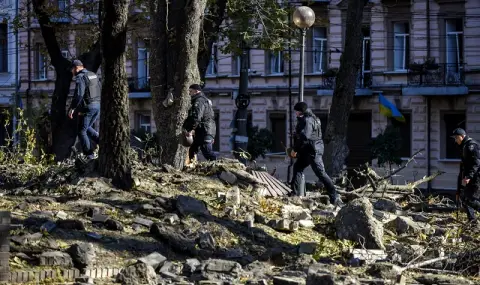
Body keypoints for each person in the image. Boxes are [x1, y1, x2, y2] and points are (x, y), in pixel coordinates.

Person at [290, 102, 342, 206]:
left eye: (296, 111)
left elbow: (305, 136)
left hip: (313, 152)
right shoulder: (310, 118)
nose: (295, 113)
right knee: (298, 167)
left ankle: (335, 197)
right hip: (308, 150)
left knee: (321, 173)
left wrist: (295, 149)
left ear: (300, 111)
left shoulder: (308, 120)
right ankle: (294, 195)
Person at [68, 59, 101, 159]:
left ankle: (89, 155)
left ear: (76, 68)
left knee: (81, 131)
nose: (72, 72)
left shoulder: (81, 77)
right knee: (87, 128)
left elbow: (79, 94)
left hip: (87, 107)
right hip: (97, 106)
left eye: (72, 70)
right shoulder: (93, 75)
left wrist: (72, 108)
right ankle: (102, 142)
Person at [183, 84, 217, 161]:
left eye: (190, 91)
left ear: (196, 91)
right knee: (192, 150)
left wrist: (189, 129)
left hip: (205, 131)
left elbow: (196, 117)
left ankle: (218, 170)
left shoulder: (199, 101)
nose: (189, 93)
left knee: (208, 152)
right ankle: (192, 169)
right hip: (202, 131)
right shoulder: (203, 100)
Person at [453, 128, 480, 225]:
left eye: (456, 138)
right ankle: (472, 221)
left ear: (462, 136)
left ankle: (473, 220)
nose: (455, 140)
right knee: (464, 198)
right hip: (468, 177)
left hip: (475, 177)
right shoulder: (464, 146)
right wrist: (458, 189)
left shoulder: (471, 146)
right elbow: (463, 167)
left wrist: (469, 176)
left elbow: (476, 163)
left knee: (470, 199)